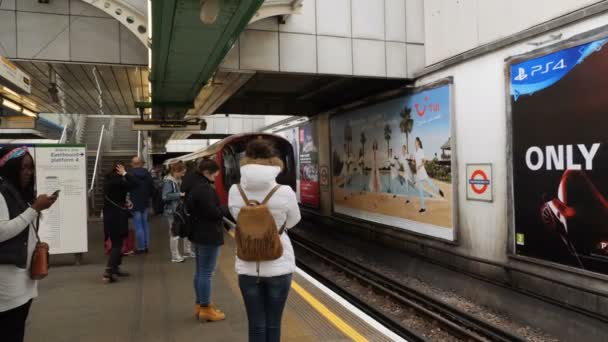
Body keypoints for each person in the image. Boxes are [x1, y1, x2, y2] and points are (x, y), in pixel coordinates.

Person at [228, 140, 301, 342]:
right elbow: (294, 221)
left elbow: (238, 219)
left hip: (247, 265)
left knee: (256, 323)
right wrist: (275, 229)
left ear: (245, 163)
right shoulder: (285, 192)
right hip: (279, 263)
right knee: (273, 322)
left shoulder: (235, 191)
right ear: (273, 163)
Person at [0, 146, 56, 342]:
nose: (28, 173)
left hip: (23, 280)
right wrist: (34, 209)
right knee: (10, 332)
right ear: (10, 167)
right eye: (23, 168)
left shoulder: (18, 193)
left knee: (16, 330)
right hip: (7, 285)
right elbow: (1, 232)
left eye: (31, 168)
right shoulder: (2, 194)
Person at [187, 159, 227, 322]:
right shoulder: (204, 189)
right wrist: (224, 208)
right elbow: (213, 213)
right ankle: (206, 309)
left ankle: (200, 304)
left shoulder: (193, 186)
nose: (217, 176)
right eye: (215, 173)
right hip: (208, 235)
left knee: (200, 271)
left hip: (198, 233)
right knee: (206, 273)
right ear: (207, 172)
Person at [103, 162, 137, 283]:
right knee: (117, 244)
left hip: (109, 216)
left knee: (118, 241)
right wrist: (125, 173)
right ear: (119, 170)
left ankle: (116, 268)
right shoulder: (119, 181)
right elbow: (135, 184)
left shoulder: (107, 181)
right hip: (118, 216)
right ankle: (109, 271)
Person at [162, 161, 193, 263]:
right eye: (182, 172)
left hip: (178, 209)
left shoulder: (176, 179)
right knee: (174, 233)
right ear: (175, 171)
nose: (183, 175)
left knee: (185, 229)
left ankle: (187, 251)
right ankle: (175, 256)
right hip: (173, 211)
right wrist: (180, 194)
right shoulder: (168, 181)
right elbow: (165, 196)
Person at [129, 156, 154, 254]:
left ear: (133, 163)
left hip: (134, 203)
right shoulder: (147, 174)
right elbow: (152, 188)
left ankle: (141, 247)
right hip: (145, 202)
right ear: (141, 163)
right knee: (145, 225)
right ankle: (146, 245)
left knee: (138, 226)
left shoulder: (130, 174)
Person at [414, 137, 444, 214]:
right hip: (418, 173)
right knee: (420, 191)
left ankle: (438, 190)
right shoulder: (416, 152)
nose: (414, 144)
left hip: (422, 171)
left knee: (430, 184)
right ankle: (423, 208)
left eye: (415, 142)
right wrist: (416, 170)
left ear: (418, 143)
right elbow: (416, 163)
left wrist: (419, 166)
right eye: (414, 143)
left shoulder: (421, 151)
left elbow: (424, 161)